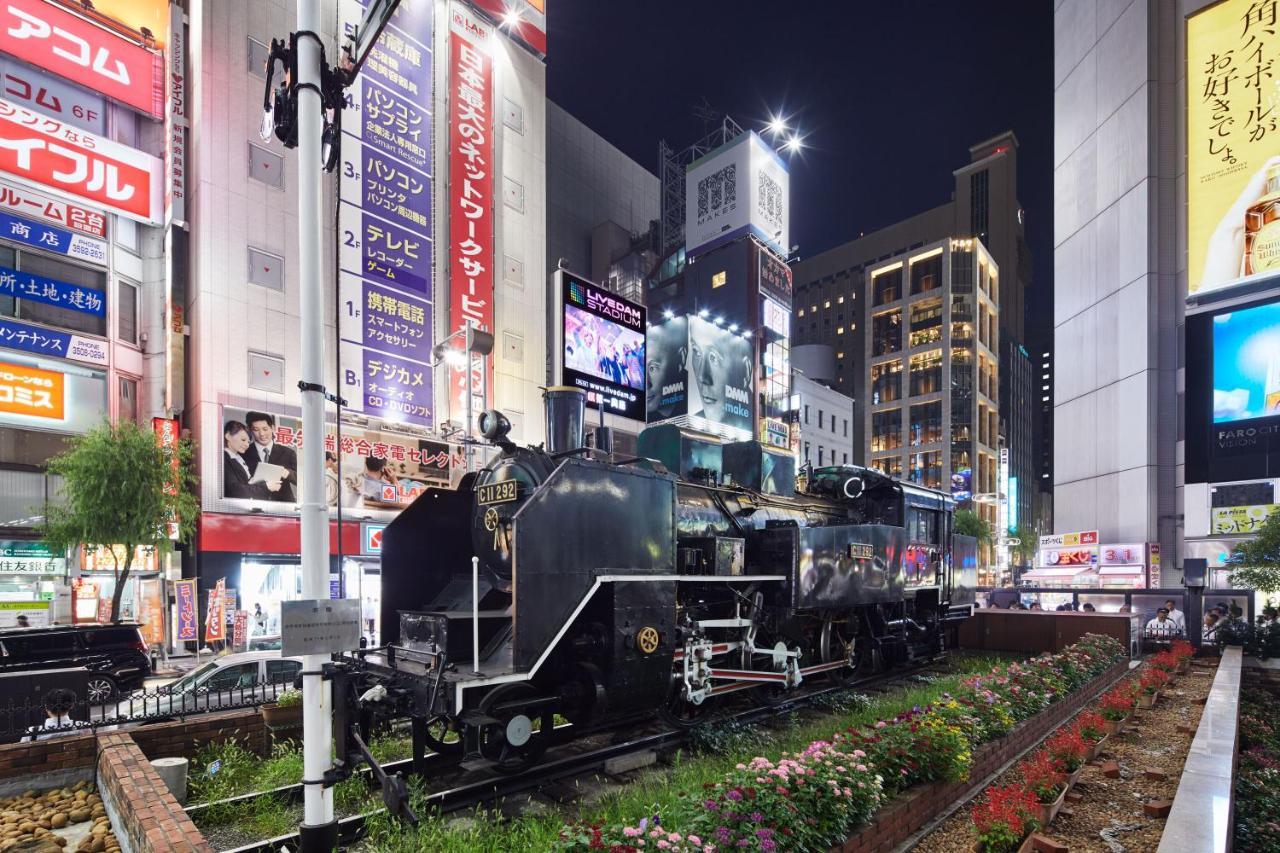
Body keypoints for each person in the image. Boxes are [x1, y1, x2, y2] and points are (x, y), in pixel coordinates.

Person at [244, 411, 298, 502]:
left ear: (272, 428)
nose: (262, 434)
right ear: (250, 430)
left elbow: (301, 481)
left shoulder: (288, 453)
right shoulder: (244, 453)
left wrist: (287, 473)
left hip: (283, 506)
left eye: (265, 429)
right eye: (256, 430)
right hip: (254, 505)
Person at [223, 421, 281, 500]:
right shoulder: (224, 458)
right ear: (228, 436)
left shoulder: (239, 458)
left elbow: (246, 485)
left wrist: (263, 483)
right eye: (243, 440)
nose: (247, 445)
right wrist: (266, 486)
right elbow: (235, 490)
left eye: (248, 442)